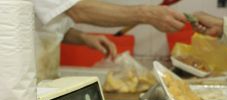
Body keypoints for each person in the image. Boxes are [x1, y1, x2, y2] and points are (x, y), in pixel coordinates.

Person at [33, 0, 187, 81]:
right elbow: (77, 10)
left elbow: (46, 24)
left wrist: (83, 38)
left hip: (45, 73)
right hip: (28, 77)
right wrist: (147, 14)